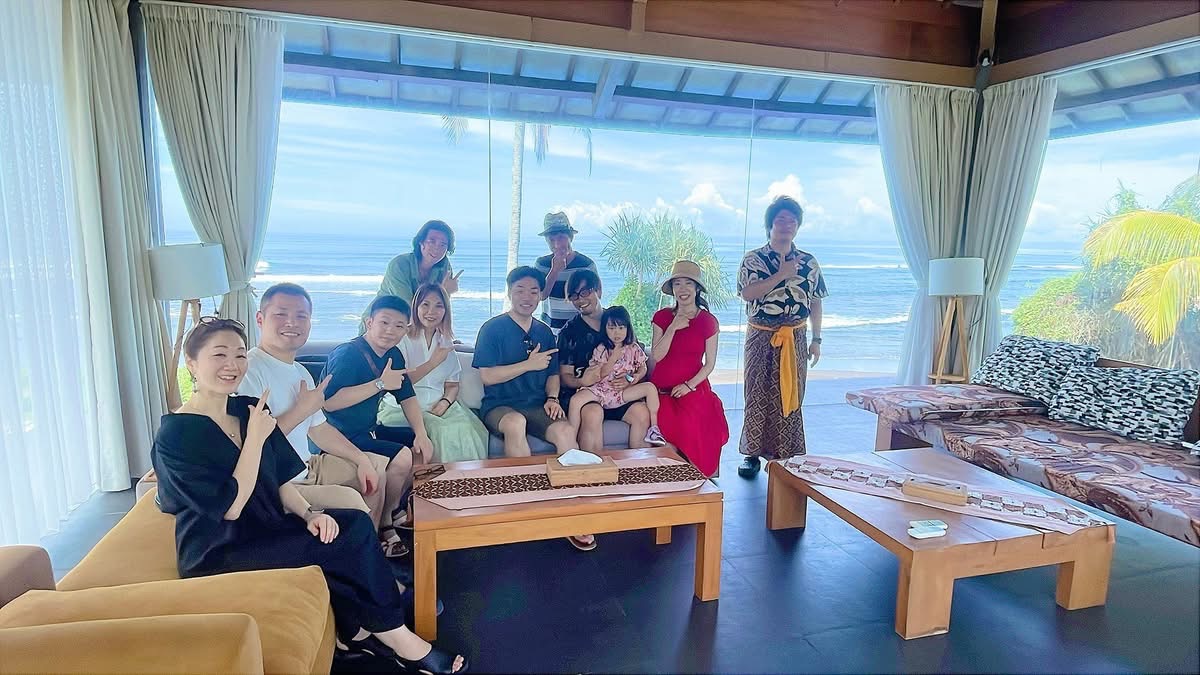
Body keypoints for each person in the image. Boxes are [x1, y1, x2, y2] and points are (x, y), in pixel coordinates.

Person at [152, 317, 467, 673]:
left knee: (352, 525)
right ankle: (401, 641)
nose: (233, 365)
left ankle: (358, 632)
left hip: (267, 526)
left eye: (239, 355)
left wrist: (308, 514)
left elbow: (278, 478)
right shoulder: (176, 434)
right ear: (192, 363)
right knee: (341, 547)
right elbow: (231, 508)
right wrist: (254, 439)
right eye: (219, 355)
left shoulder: (248, 408)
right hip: (218, 550)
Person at [236, 283, 412, 557]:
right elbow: (250, 444)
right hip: (279, 482)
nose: (292, 323)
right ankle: (363, 559)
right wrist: (301, 410)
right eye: (281, 314)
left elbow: (319, 429)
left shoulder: (299, 372)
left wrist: (361, 459)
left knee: (375, 468)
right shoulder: (250, 371)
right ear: (260, 319)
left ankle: (373, 549)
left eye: (301, 316)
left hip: (308, 466)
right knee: (353, 500)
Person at [473, 267, 596, 552]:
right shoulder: (492, 329)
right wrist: (528, 365)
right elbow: (487, 377)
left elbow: (552, 374)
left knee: (565, 431)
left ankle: (574, 512)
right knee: (515, 423)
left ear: (541, 295)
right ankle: (526, 507)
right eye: (520, 290)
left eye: (533, 291)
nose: (526, 297)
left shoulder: (544, 332)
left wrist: (552, 398)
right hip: (499, 405)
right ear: (509, 293)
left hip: (537, 404)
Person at [321, 296, 435, 537]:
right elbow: (329, 403)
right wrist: (380, 383)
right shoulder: (348, 354)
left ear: (406, 330)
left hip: (368, 430)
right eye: (384, 322)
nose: (390, 330)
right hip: (339, 436)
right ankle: (385, 523)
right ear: (369, 322)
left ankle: (395, 508)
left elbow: (407, 396)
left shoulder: (393, 354)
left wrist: (421, 433)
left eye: (399, 325)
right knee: (402, 457)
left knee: (421, 447)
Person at [736, 196, 827, 478]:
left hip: (796, 337)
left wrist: (816, 339)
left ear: (798, 226)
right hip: (761, 336)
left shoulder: (809, 262)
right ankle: (752, 454)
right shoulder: (753, 259)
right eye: (781, 219)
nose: (787, 224)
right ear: (770, 225)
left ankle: (785, 452)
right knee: (757, 393)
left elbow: (816, 302)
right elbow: (747, 293)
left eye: (792, 220)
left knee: (790, 394)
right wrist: (781, 274)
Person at [381, 283, 488, 463]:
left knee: (470, 430)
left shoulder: (444, 340)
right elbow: (399, 384)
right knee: (442, 431)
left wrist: (444, 403)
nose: (431, 311)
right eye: (425, 304)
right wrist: (433, 363)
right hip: (403, 408)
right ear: (416, 307)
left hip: (439, 406)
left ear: (446, 311)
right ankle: (439, 479)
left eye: (439, 306)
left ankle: (468, 479)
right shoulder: (402, 338)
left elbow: (452, 385)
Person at [650, 260, 729, 477]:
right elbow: (656, 356)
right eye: (677, 284)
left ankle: (698, 480)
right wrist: (673, 328)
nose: (682, 289)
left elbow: (710, 363)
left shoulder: (708, 321)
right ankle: (675, 478)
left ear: (696, 288)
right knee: (666, 429)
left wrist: (688, 385)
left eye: (688, 283)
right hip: (662, 391)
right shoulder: (662, 317)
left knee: (695, 421)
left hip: (692, 387)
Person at [556, 270, 651, 452]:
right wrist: (582, 381)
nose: (580, 300)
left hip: (617, 391)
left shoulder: (617, 319)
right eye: (574, 296)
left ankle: (638, 467)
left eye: (585, 292)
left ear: (598, 290)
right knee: (593, 413)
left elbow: (637, 359)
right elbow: (564, 376)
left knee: (641, 412)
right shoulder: (569, 333)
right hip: (587, 393)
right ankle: (593, 468)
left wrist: (630, 379)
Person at [566, 305, 665, 446]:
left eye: (621, 328)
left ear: (628, 328)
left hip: (622, 392)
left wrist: (633, 378)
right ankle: (570, 440)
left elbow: (642, 367)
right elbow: (599, 375)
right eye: (611, 328)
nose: (616, 333)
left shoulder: (633, 348)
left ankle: (654, 429)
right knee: (576, 400)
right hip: (602, 389)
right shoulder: (601, 349)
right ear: (605, 329)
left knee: (650, 388)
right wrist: (613, 358)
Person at [362, 220, 463, 329]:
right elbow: (410, 307)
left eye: (443, 244)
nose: (437, 248)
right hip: (379, 324)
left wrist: (446, 294)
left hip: (409, 327)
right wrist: (445, 291)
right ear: (421, 242)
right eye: (432, 241)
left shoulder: (444, 267)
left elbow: (439, 309)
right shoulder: (400, 264)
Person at [532, 212, 599, 332]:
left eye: (561, 238)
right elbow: (540, 296)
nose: (556, 244)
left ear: (570, 237)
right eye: (551, 239)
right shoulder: (542, 264)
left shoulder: (586, 265)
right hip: (550, 330)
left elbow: (596, 296)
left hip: (580, 330)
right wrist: (555, 270)